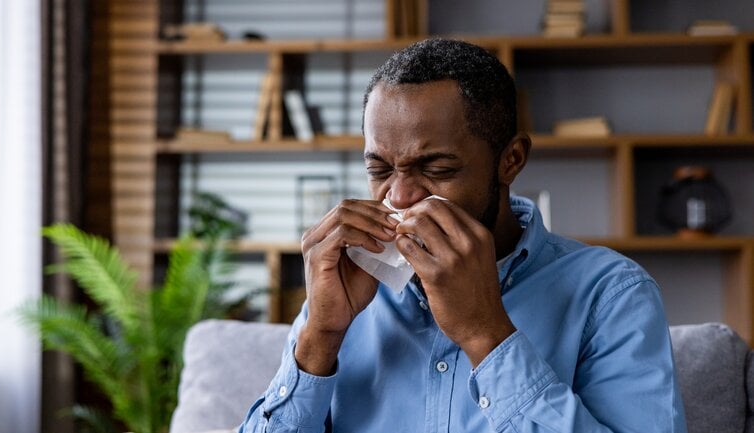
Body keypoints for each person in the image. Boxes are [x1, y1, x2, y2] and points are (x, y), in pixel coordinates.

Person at [239, 38, 687, 432]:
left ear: (511, 159)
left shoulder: (611, 294)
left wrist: (485, 333)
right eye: (379, 170)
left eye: (437, 169)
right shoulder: (343, 290)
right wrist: (320, 335)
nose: (401, 195)